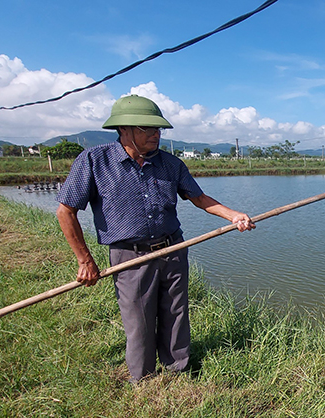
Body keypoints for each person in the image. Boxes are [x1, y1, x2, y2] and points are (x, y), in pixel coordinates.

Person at [56, 94, 255, 383]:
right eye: (146, 129)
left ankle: (178, 369)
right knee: (139, 318)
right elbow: (66, 211)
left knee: (176, 310)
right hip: (129, 255)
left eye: (158, 129)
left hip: (173, 247)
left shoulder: (171, 164)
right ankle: (144, 379)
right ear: (123, 129)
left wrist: (232, 214)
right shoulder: (94, 161)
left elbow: (198, 198)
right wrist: (85, 260)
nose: (155, 135)